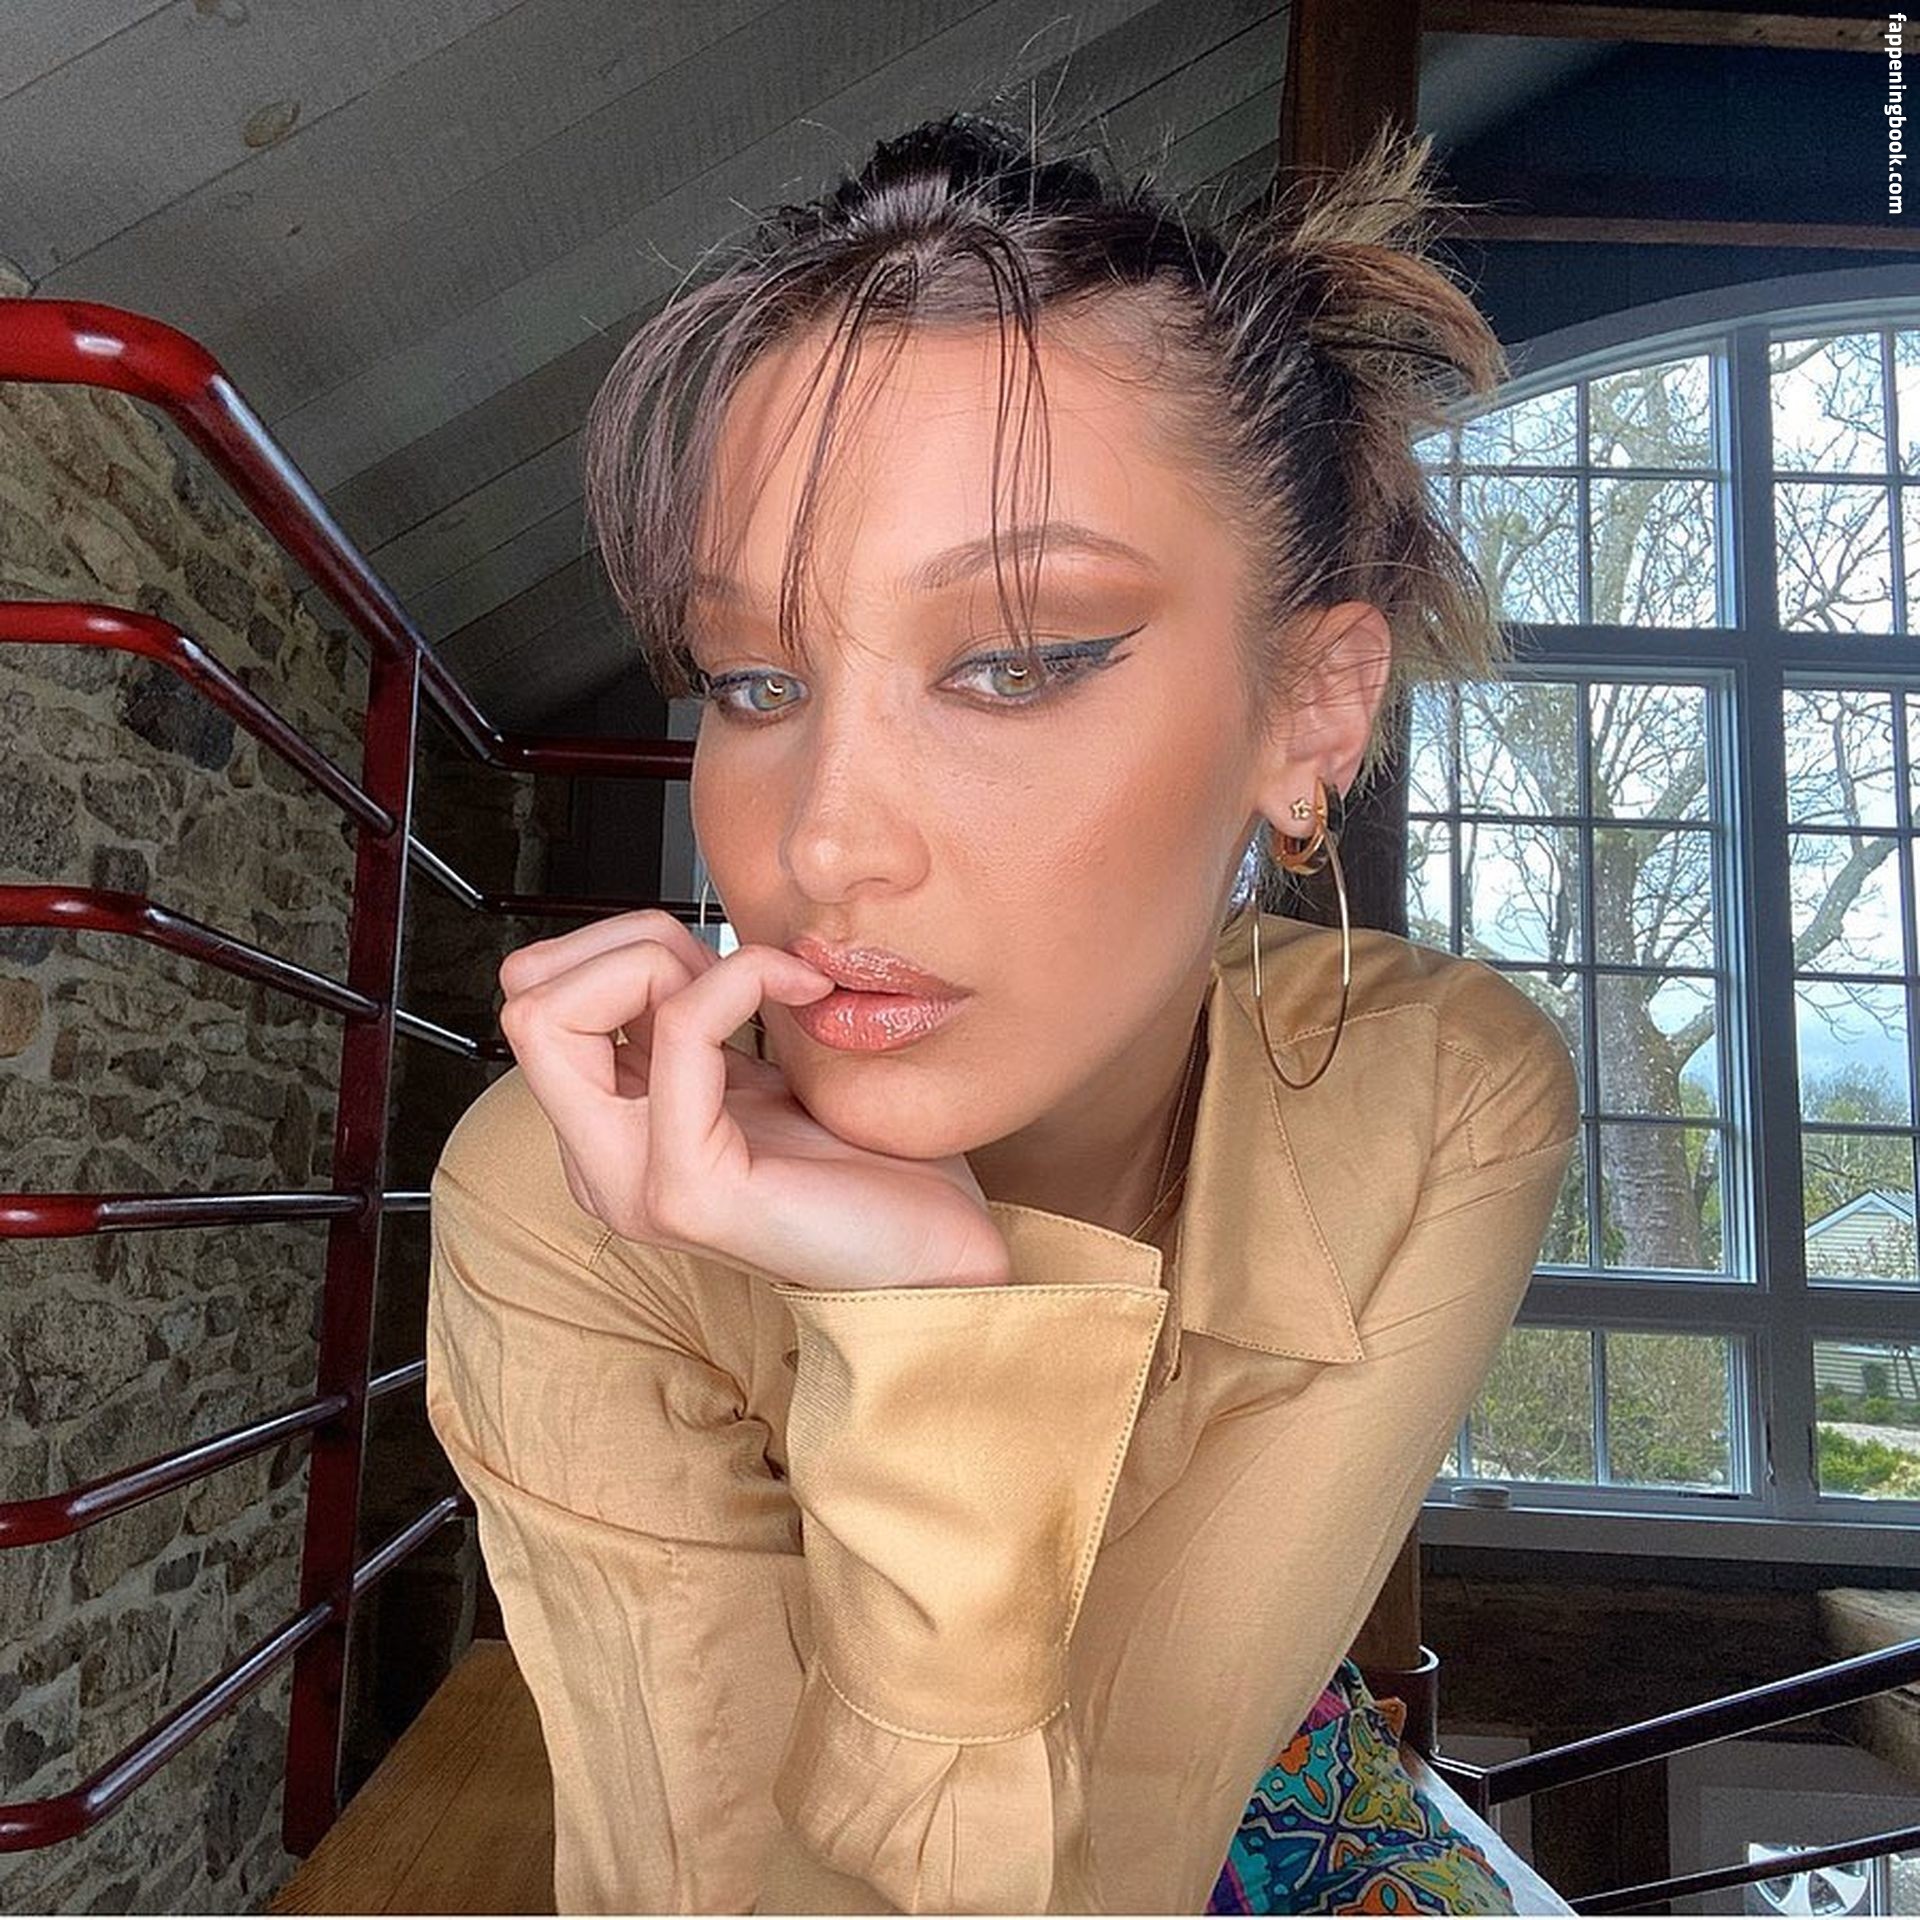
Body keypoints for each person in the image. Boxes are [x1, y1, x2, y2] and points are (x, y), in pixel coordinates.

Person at [422, 111, 1580, 1915]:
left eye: (1018, 661)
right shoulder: (566, 1197)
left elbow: (1145, 1829)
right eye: (754, 679)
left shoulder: (1442, 1096)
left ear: (1312, 711)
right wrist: (932, 1325)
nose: (821, 843)